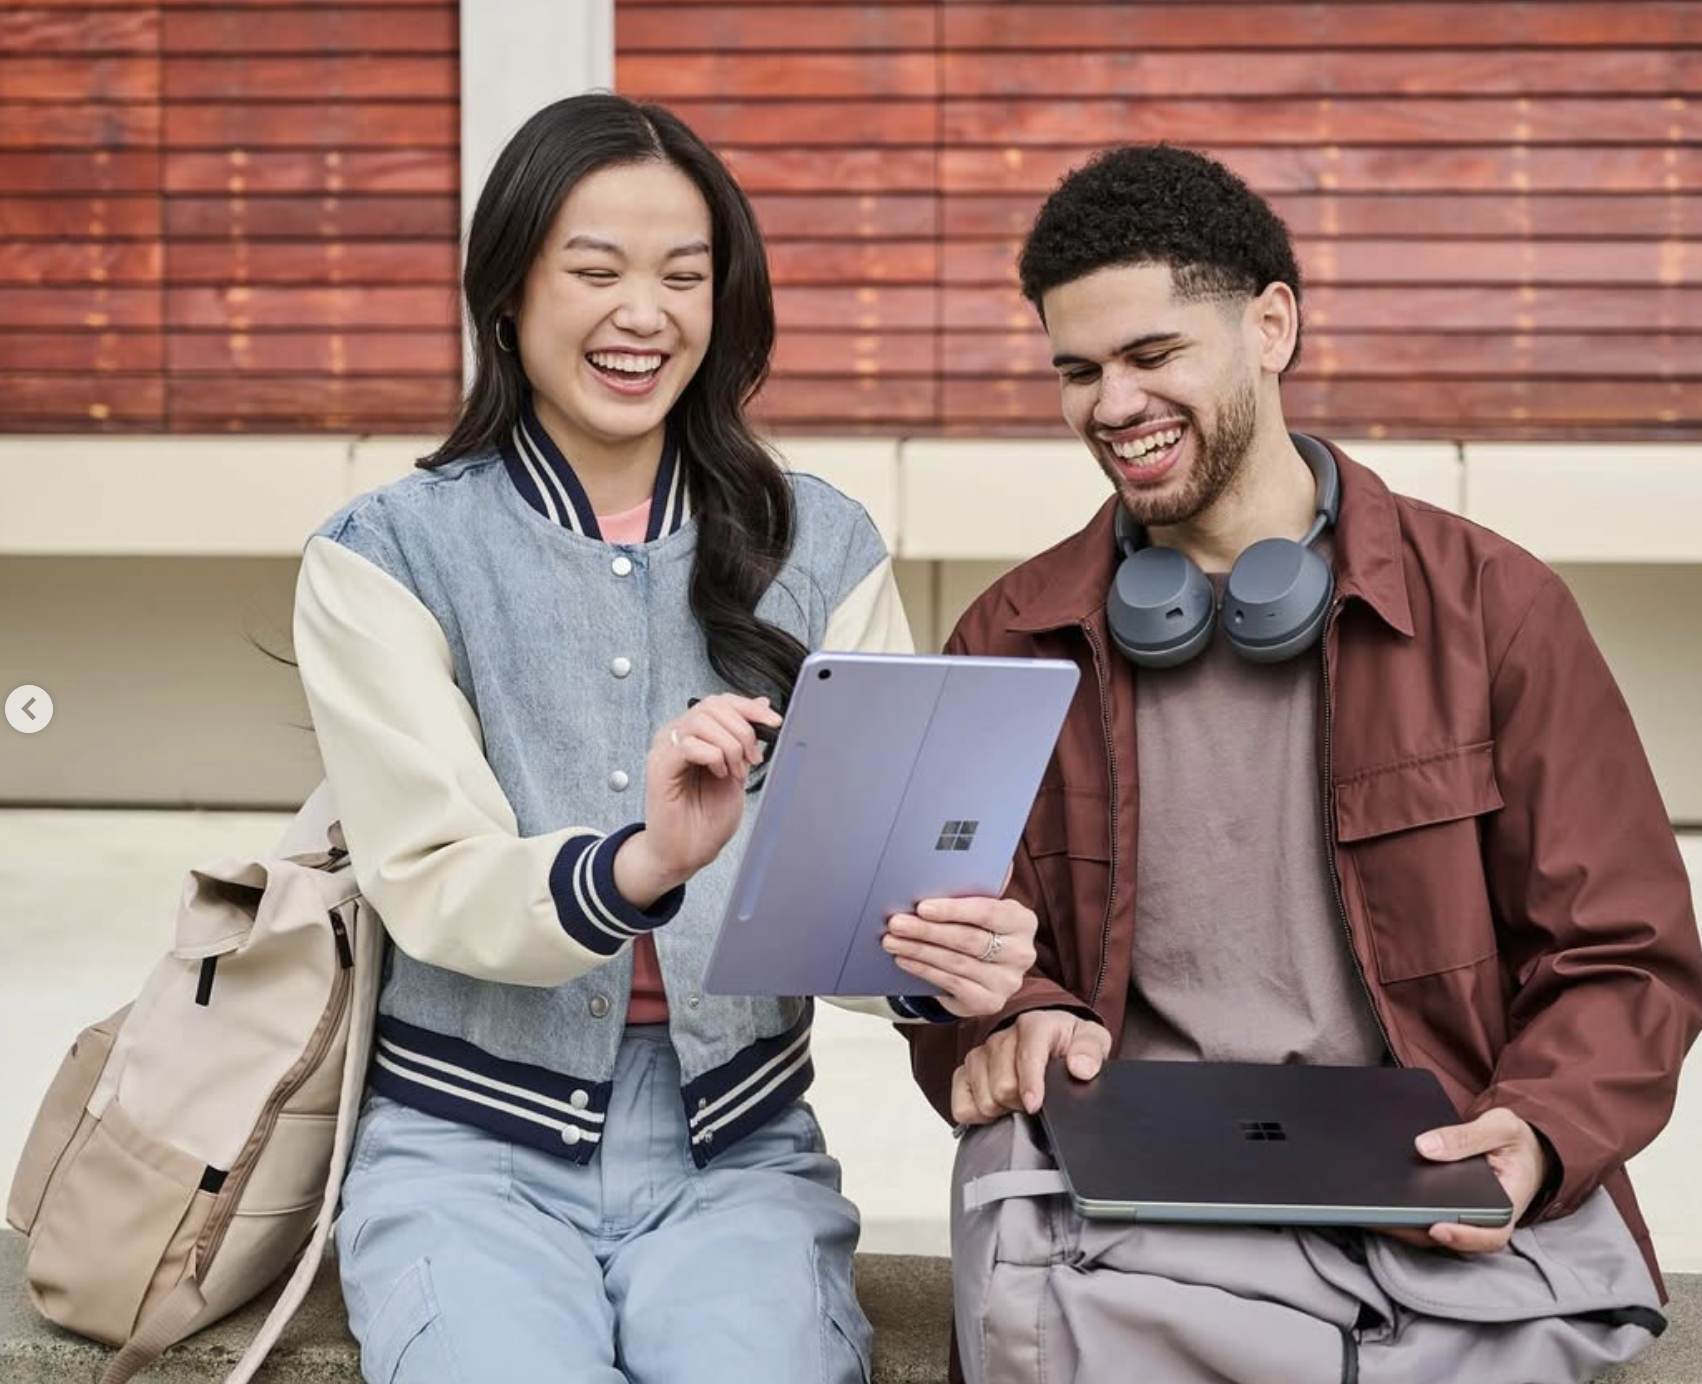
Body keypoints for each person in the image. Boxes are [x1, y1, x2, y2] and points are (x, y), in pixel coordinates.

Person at [906, 143, 1702, 1383]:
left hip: (1424, 1184)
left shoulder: (1498, 608)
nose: (1111, 405)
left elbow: (1626, 951)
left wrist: (1542, 1134)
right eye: (1078, 371)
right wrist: (1012, 1016)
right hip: (1129, 1215)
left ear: (1271, 324)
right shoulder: (1006, 641)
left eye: (1153, 355)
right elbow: (957, 948)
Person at [292, 93, 1039, 1384]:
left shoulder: (826, 546)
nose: (644, 314)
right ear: (508, 290)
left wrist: (942, 949)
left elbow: (861, 886)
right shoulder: (384, 557)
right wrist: (641, 861)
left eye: (683, 277)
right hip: (465, 1153)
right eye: (594, 271)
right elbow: (432, 882)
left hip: (735, 1156)